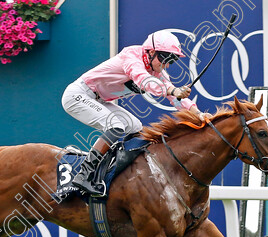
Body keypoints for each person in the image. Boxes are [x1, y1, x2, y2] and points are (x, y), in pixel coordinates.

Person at [61, 30, 204, 196]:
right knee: (116, 126)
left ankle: (113, 171)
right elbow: (144, 80)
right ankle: (83, 175)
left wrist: (198, 114)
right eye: (165, 58)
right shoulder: (131, 56)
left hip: (98, 100)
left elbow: (175, 99)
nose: (167, 65)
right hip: (78, 95)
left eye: (172, 60)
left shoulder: (156, 71)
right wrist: (173, 90)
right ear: (151, 52)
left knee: (135, 126)